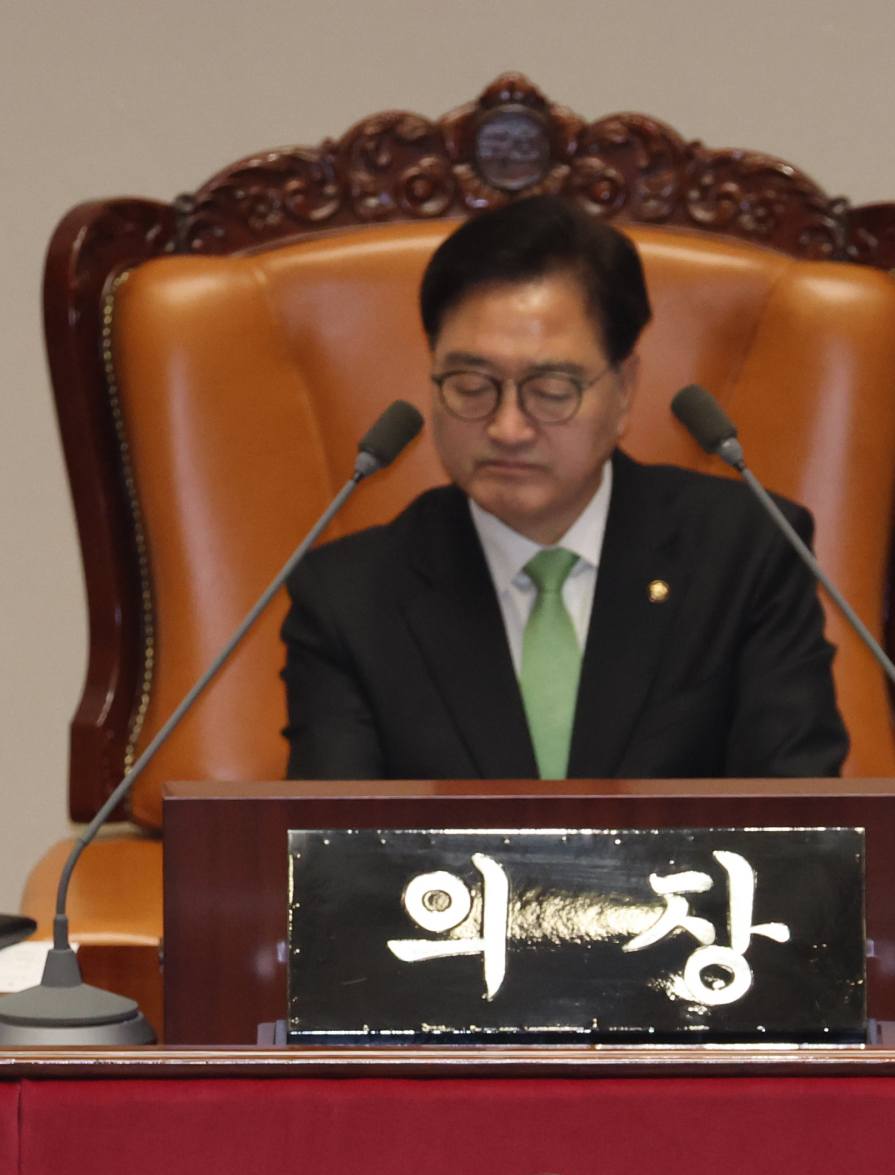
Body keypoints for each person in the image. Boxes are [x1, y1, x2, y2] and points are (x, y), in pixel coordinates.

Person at [281, 201, 850, 784]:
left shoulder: (746, 552)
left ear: (624, 390)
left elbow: (800, 820)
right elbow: (329, 850)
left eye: (551, 391)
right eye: (471, 385)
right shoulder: (348, 598)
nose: (507, 428)